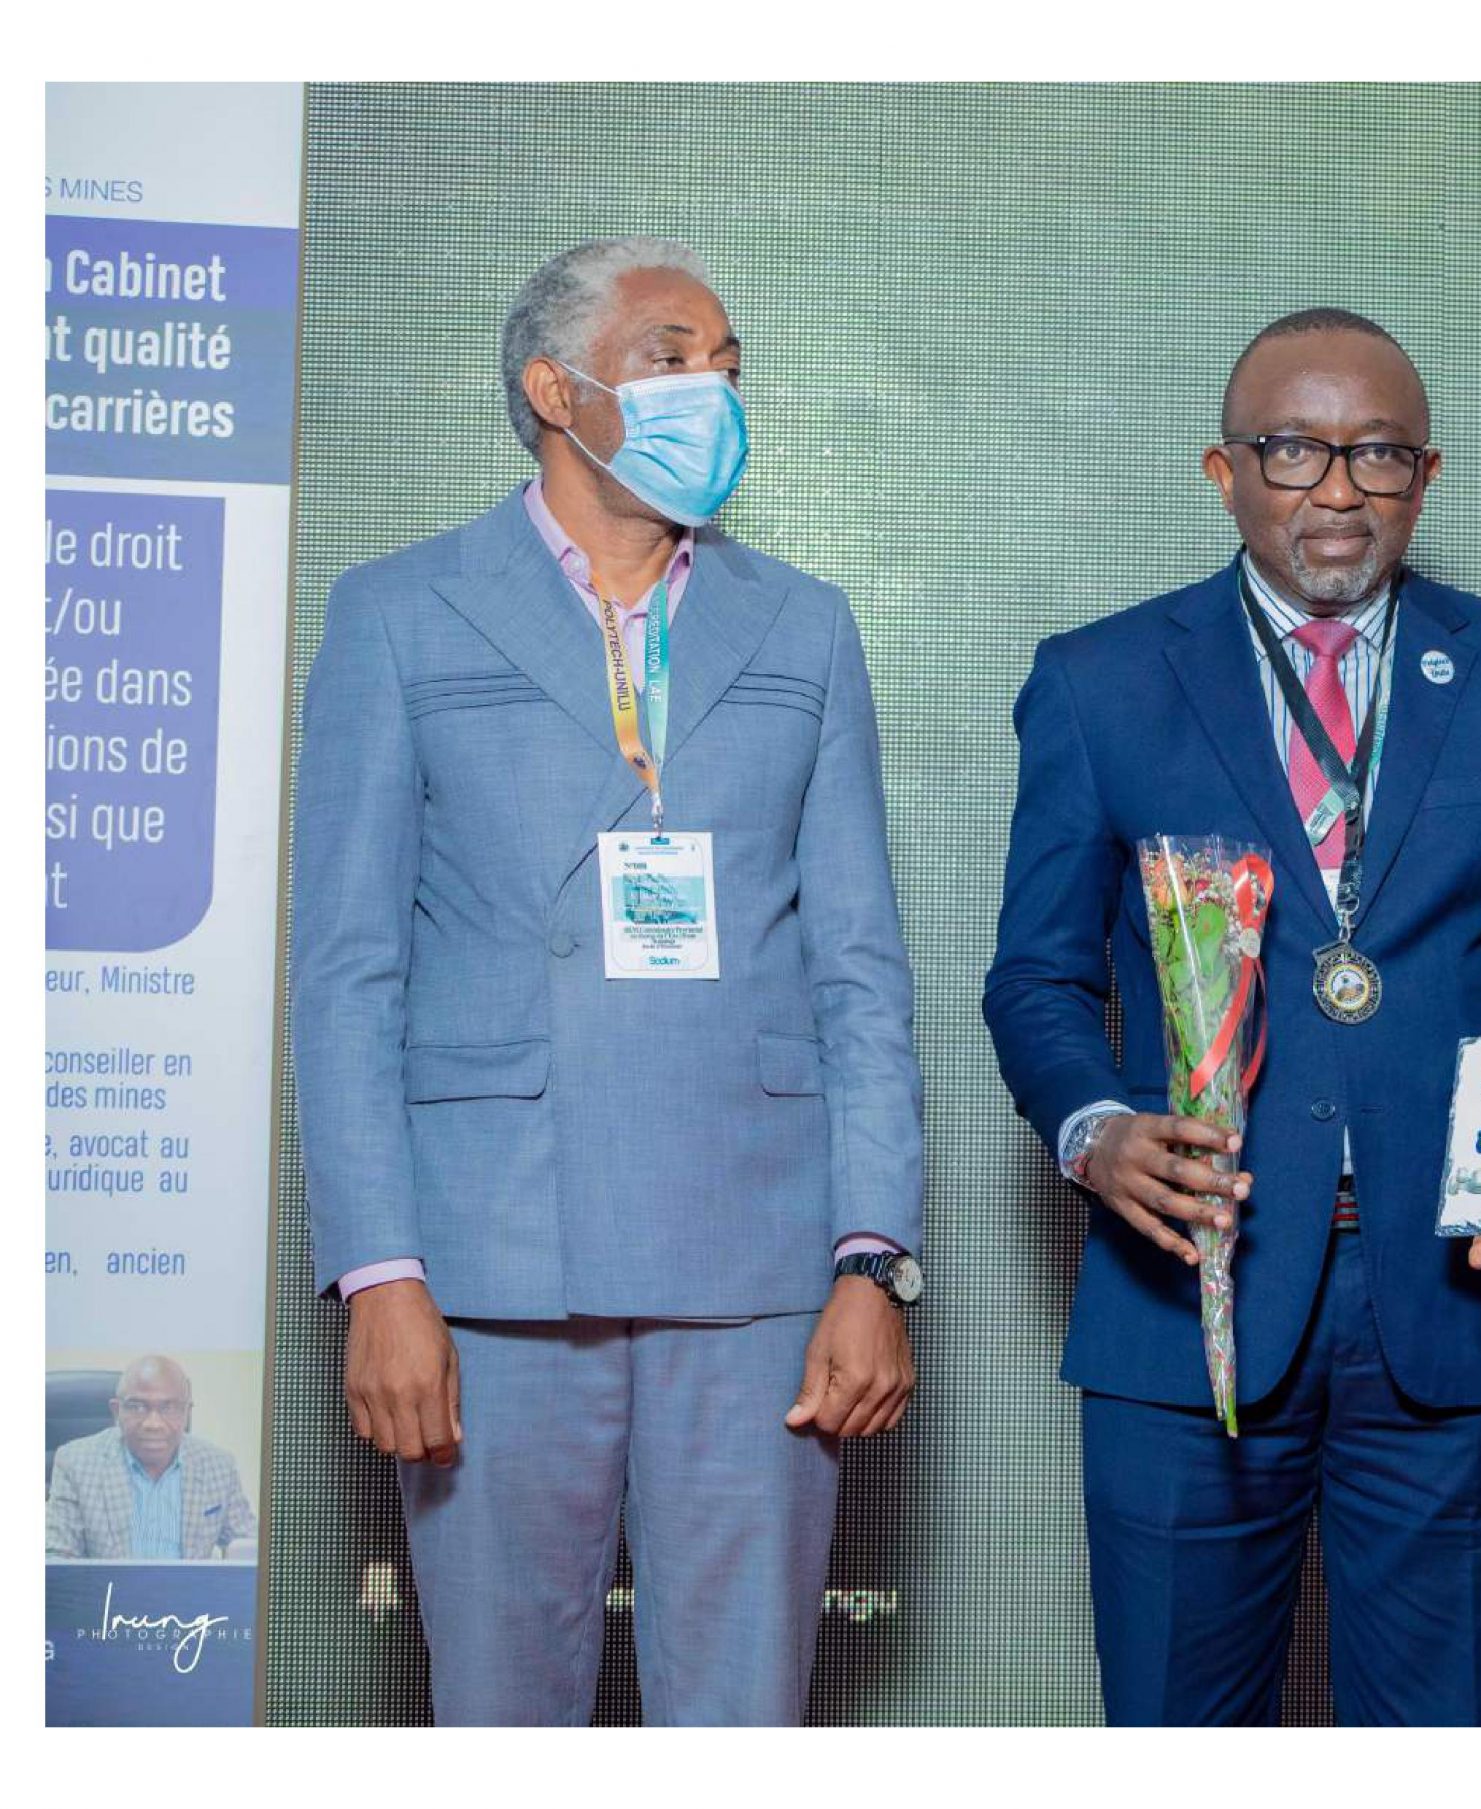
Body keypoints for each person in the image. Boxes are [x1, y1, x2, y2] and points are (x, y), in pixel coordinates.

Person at [291, 237, 925, 1725]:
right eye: (670, 356)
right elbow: (348, 974)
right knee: (503, 1713)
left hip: (760, 1268)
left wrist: (871, 1259)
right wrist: (380, 1274)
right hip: (493, 1263)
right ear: (553, 388)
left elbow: (859, 973)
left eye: (728, 363)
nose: (712, 389)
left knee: (742, 1716)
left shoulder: (806, 624)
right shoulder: (400, 613)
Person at [984, 308, 1481, 1725]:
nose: (1339, 488)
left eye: (1379, 454)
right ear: (1224, 471)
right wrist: (1095, 1130)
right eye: (1295, 450)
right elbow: (1036, 977)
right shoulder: (1099, 683)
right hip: (1186, 1294)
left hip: (1458, 1306)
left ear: (1427, 476)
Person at [46, 1356, 257, 1560]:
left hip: (189, 1586)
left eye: (169, 1408)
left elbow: (250, 1549)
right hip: (109, 1586)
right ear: (116, 1411)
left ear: (187, 1412)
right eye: (138, 1407)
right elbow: (57, 1558)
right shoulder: (76, 1464)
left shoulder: (218, 1467)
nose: (153, 1424)